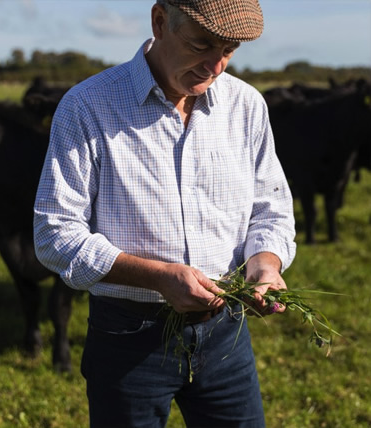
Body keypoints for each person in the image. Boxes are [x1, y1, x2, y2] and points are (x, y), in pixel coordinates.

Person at [34, 0, 297, 426]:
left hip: (225, 334)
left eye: (229, 49)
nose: (215, 66)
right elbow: (54, 235)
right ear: (160, 21)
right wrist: (157, 276)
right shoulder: (88, 106)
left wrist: (264, 265)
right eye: (201, 44)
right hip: (129, 338)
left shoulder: (246, 105)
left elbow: (270, 209)